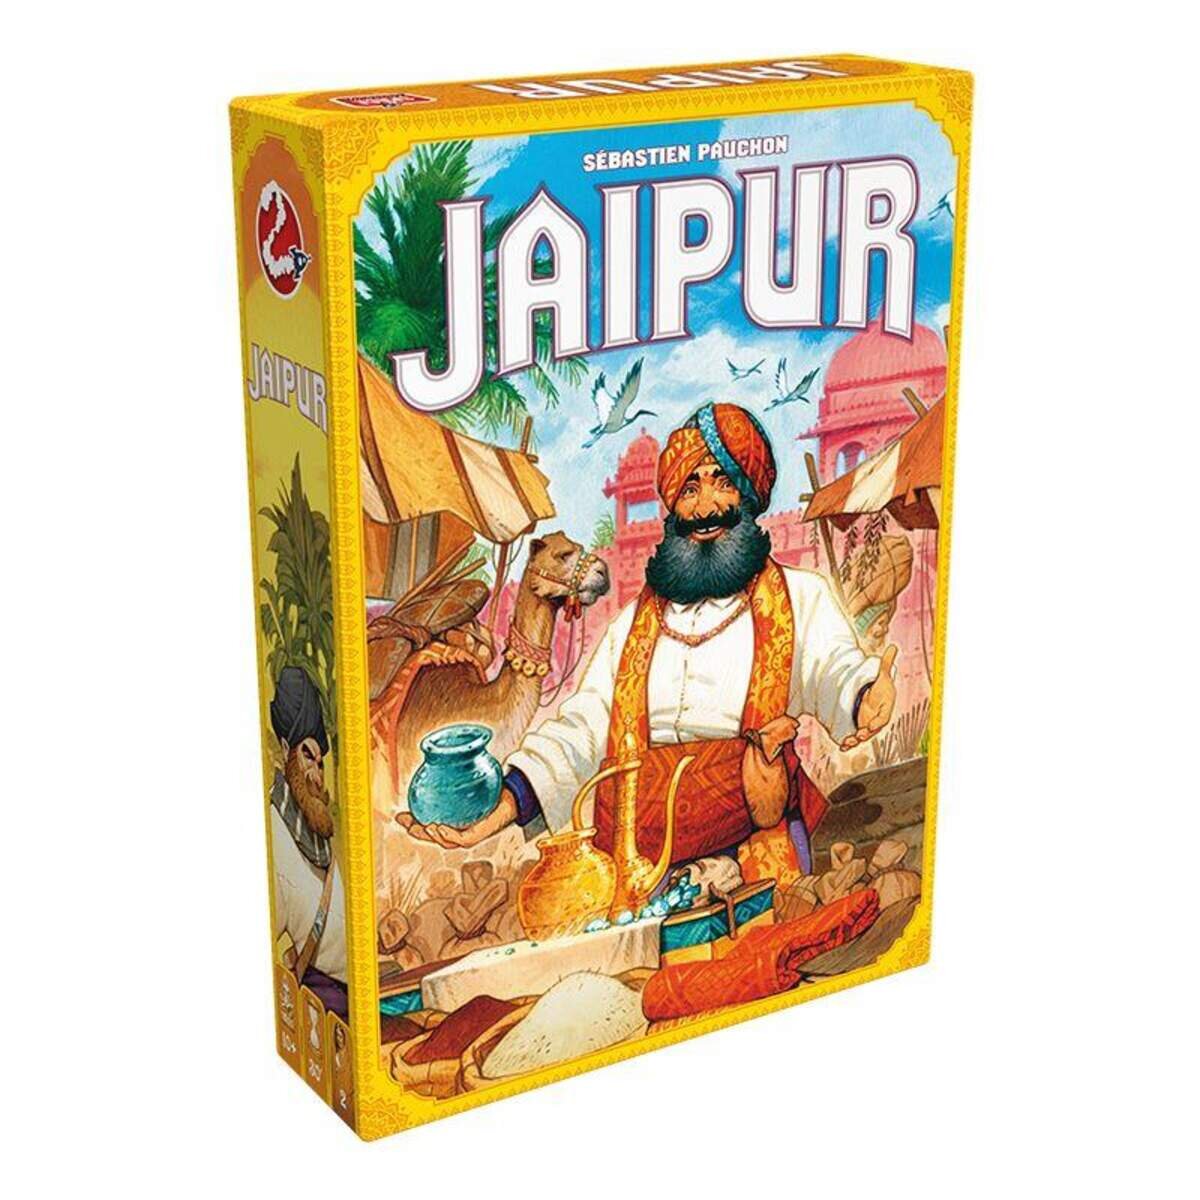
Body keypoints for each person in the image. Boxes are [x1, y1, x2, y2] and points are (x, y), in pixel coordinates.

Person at [402, 403, 897, 881]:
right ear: (673, 506)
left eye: (723, 483)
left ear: (747, 497)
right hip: (636, 861)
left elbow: (835, 669)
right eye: (690, 489)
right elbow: (582, 729)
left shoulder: (800, 599)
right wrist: (504, 806)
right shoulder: (631, 629)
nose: (705, 507)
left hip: (755, 846)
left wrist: (864, 695)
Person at [268, 665, 347, 1018]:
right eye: (307, 756)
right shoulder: (275, 830)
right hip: (323, 1009)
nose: (317, 774)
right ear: (286, 749)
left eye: (320, 762)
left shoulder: (318, 826)